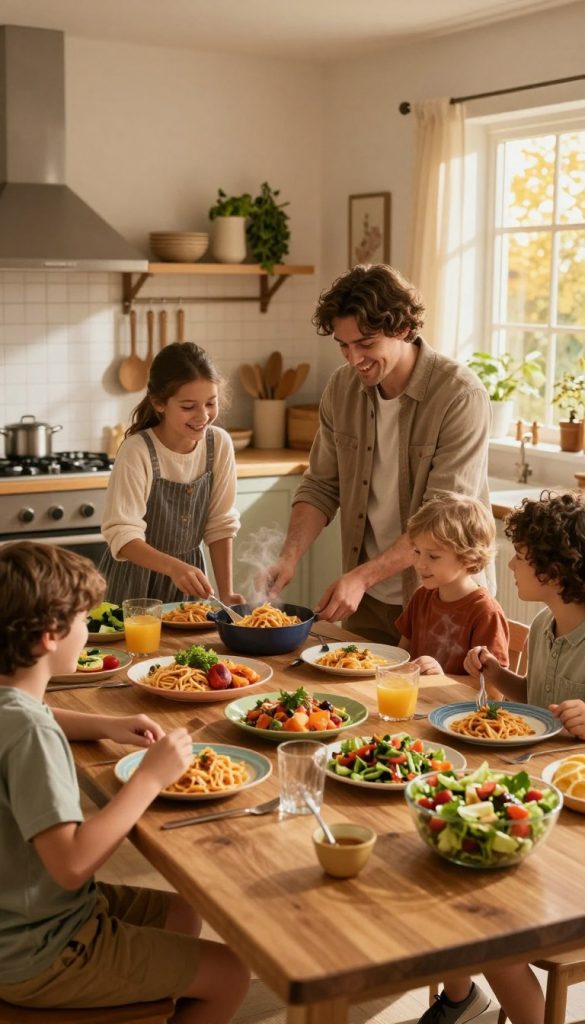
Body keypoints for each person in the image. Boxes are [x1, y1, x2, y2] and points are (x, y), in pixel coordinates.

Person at [0, 541, 250, 1021]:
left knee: (183, 911)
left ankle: (141, 996)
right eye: (83, 621)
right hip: (37, 948)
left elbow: (39, 711)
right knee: (231, 973)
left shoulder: (13, 704)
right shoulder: (30, 735)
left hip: (21, 912)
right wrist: (151, 778)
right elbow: (72, 864)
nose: (88, 631)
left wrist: (105, 725)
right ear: (52, 634)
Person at [420, 490, 585, 1024]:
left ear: (555, 572)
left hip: (574, 825)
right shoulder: (542, 627)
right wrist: (496, 673)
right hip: (536, 798)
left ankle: (473, 1002)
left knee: (484, 920)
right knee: (448, 873)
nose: (510, 563)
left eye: (521, 555)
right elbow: (537, 706)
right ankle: (463, 1001)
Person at [264, 264, 492, 643]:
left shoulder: (459, 396)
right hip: (367, 602)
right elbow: (321, 485)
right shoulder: (342, 388)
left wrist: (360, 577)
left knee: (434, 703)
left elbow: (442, 524)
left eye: (366, 344)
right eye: (343, 345)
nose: (353, 359)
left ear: (402, 328)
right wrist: (288, 558)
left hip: (442, 601)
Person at [100, 341, 242, 605]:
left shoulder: (219, 444)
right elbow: (123, 535)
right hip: (133, 586)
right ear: (159, 403)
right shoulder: (137, 451)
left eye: (211, 403)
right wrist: (173, 567)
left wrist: (227, 593)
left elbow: (220, 524)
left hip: (189, 585)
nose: (203, 416)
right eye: (188, 407)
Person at [395, 492, 509, 676]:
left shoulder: (486, 613)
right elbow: (401, 660)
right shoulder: (421, 596)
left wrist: (441, 679)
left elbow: (494, 690)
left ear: (469, 559)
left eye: (433, 556)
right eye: (417, 552)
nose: (420, 564)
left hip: (457, 704)